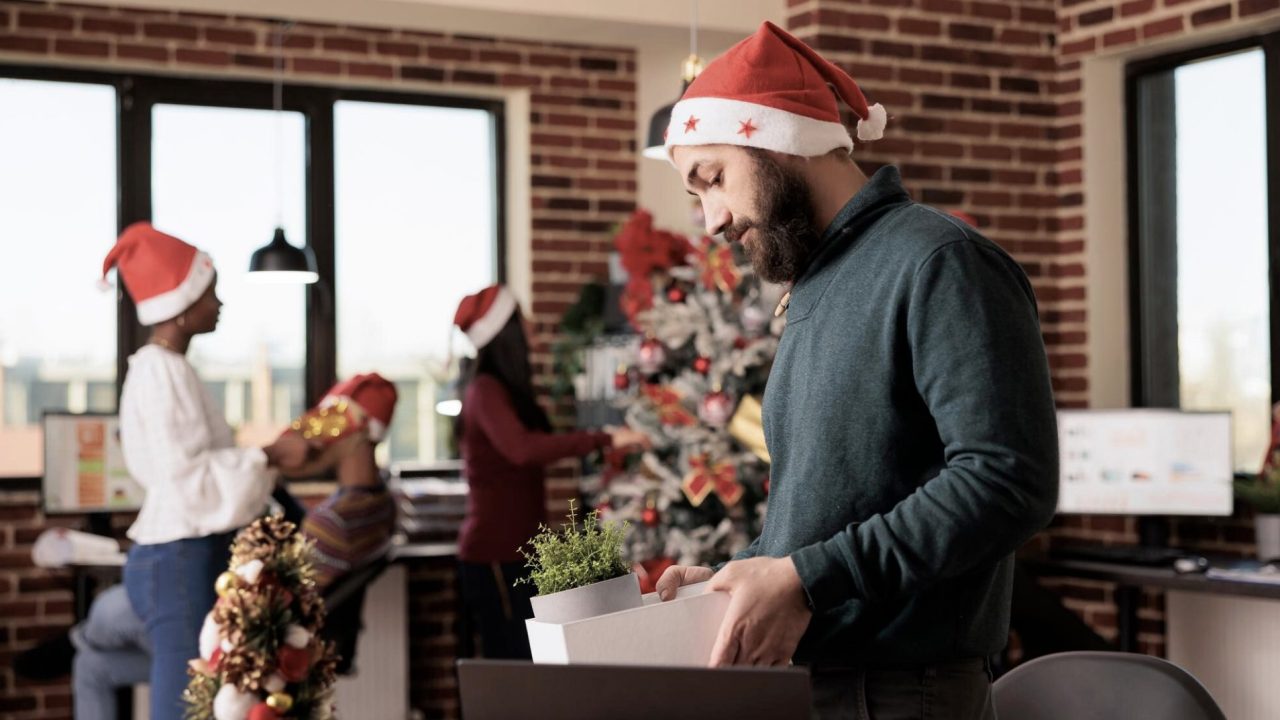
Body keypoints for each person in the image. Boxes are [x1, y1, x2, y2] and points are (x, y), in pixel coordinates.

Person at [653, 22, 1059, 718]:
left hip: (902, 693)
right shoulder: (817, 285)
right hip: (824, 684)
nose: (712, 219)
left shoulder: (936, 261)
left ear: (778, 139)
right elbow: (837, 502)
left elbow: (1007, 479)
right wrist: (744, 573)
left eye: (713, 179)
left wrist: (808, 580)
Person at [19, 373, 401, 717]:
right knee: (92, 666)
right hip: (268, 648)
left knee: (110, 607)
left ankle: (77, 636)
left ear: (354, 434)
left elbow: (271, 595)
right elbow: (307, 540)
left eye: (328, 425)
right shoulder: (376, 506)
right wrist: (272, 484)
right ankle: (79, 641)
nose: (315, 437)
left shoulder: (333, 522)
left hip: (247, 652)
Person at [103, 222, 313, 720]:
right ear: (179, 305)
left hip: (187, 554)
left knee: (204, 702)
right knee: (185, 709)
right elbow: (186, 478)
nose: (219, 304)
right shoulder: (159, 372)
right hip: (177, 558)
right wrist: (268, 455)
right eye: (209, 293)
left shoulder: (171, 369)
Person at [452, 284, 650, 659]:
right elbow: (523, 449)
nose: (531, 326)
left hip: (516, 553)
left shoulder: (500, 390)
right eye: (521, 318)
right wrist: (604, 437)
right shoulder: (485, 390)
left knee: (525, 659)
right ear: (505, 330)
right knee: (511, 662)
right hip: (495, 555)